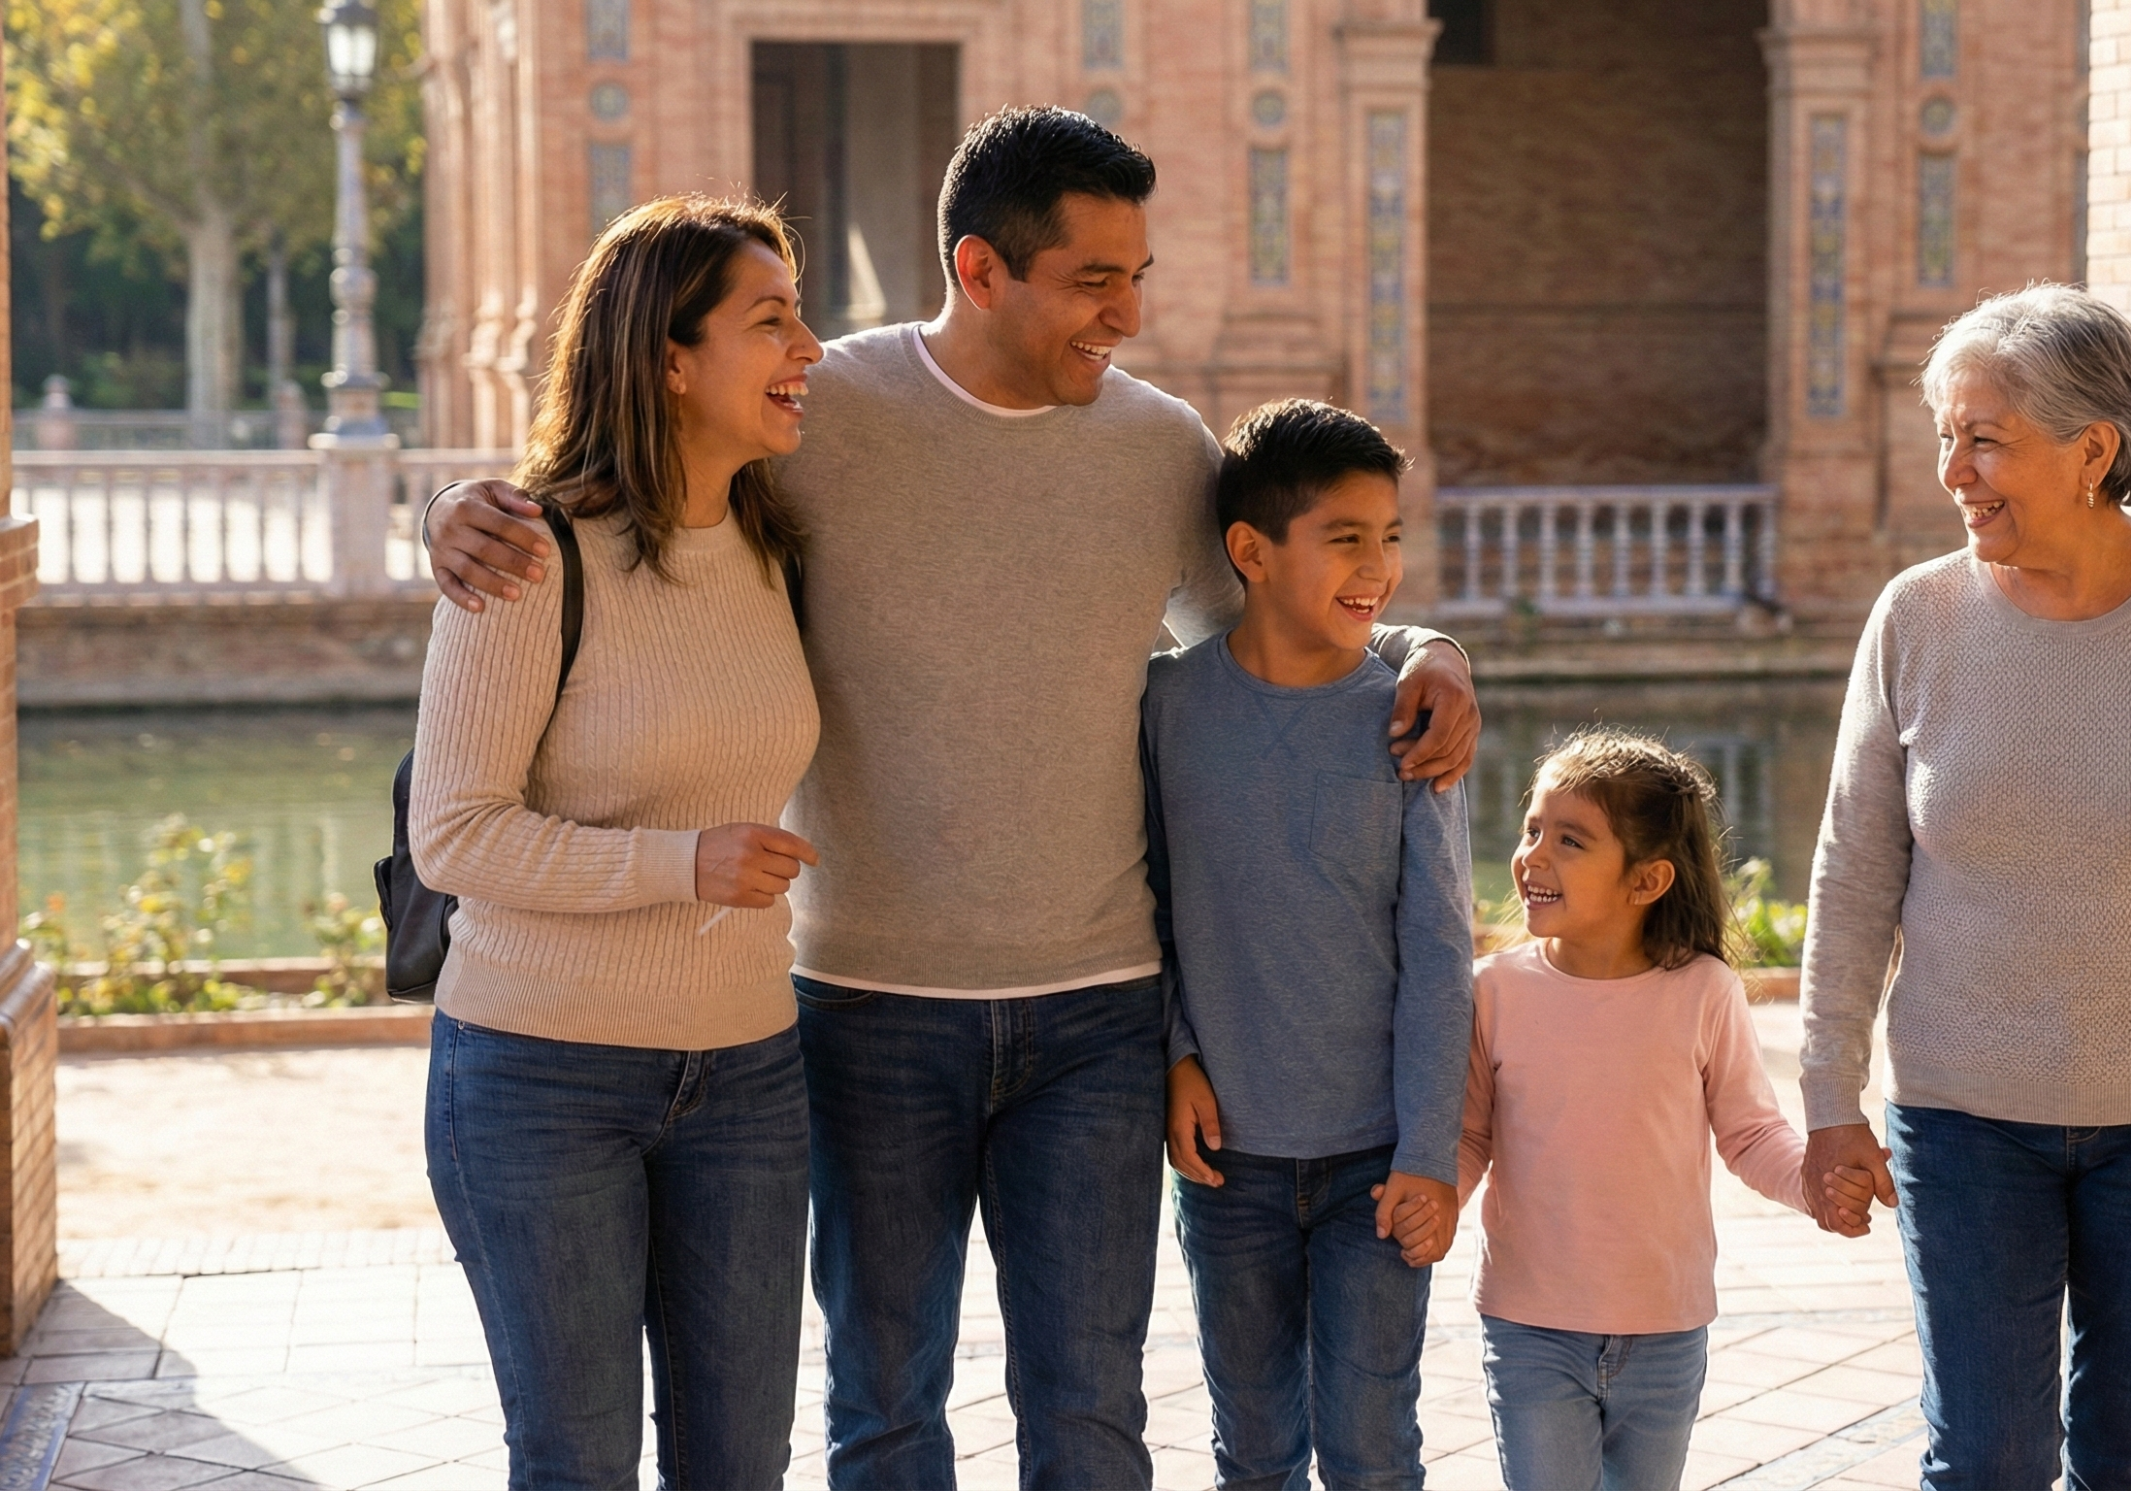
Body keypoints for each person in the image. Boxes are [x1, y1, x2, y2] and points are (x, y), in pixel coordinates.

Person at [421, 108, 1480, 1490]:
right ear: (982, 270)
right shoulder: (815, 414)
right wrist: (448, 505)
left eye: (1140, 274)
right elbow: (618, 489)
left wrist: (1428, 648)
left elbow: (1290, 619)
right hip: (861, 1006)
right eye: (1097, 279)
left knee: (1094, 1415)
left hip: (1099, 1012)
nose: (1130, 315)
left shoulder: (1157, 448)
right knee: (882, 1406)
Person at [1795, 284, 2131, 1490]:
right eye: (1946, 434)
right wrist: (1829, 1092)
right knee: (1984, 1457)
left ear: (2092, 449)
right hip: (1962, 1112)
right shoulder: (1916, 619)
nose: (1954, 469)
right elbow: (1851, 874)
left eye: (1983, 437)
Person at [408, 195, 824, 1488]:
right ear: (668, 358)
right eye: (771, 320)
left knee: (740, 1461)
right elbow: (452, 832)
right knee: (578, 1459)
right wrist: (679, 862)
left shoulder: (780, 535)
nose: (809, 346)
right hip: (540, 1080)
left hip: (750, 1075)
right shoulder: (530, 554)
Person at [1147, 400, 1476, 1491]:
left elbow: (1439, 955)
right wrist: (1173, 1051)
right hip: (1227, 1157)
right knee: (1253, 1448)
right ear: (1250, 551)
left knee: (1375, 1446)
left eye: (1388, 537)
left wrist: (1430, 1150)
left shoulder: (1412, 721)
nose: (1377, 567)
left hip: (1374, 1162)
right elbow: (1137, 900)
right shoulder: (1166, 709)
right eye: (1345, 539)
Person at [1459, 728, 1871, 1491]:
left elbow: (1750, 1133)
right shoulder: (1494, 990)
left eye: (1570, 839)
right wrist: (1426, 1196)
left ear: (1647, 880)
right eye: (1532, 829)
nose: (1533, 855)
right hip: (1529, 1321)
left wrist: (1812, 1183)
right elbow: (1470, 1136)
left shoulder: (1702, 990)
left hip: (1666, 1326)